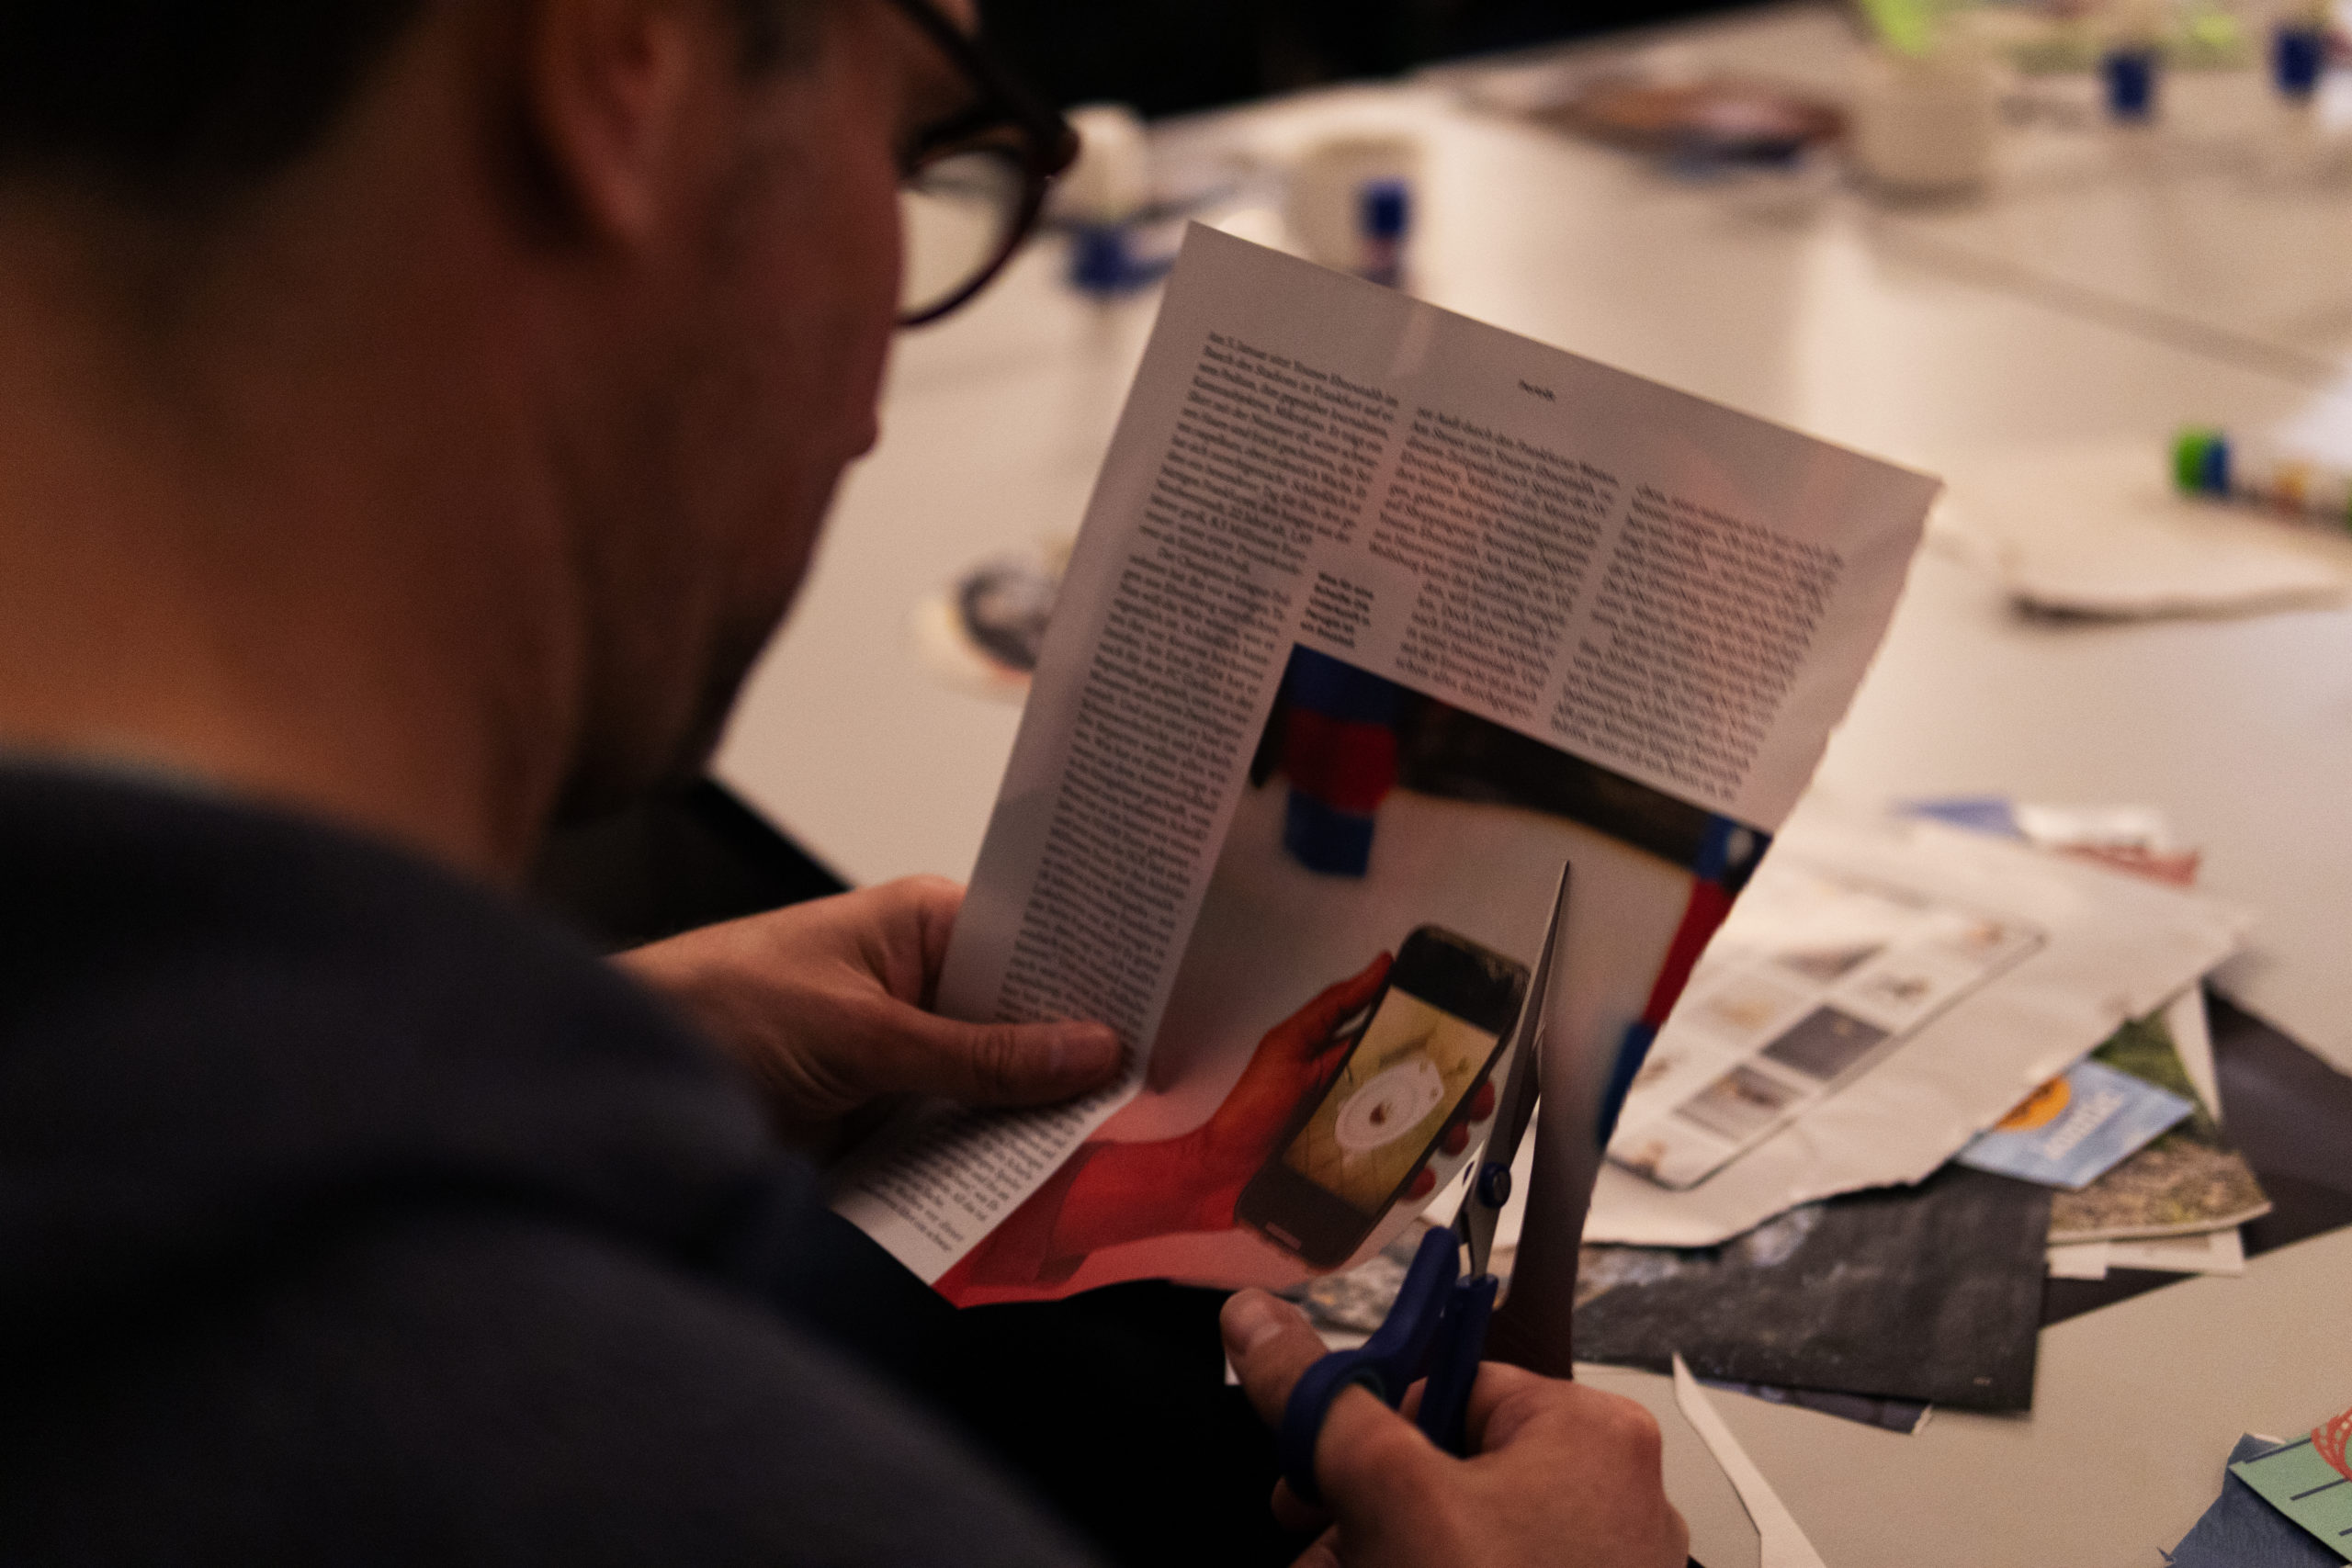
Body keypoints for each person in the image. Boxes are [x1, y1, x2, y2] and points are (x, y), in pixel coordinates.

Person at [0, 2, 1689, 1564]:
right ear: (624, 65)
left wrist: (625, 1036)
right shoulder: (690, 1489)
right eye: (918, 145)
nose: (876, 402)